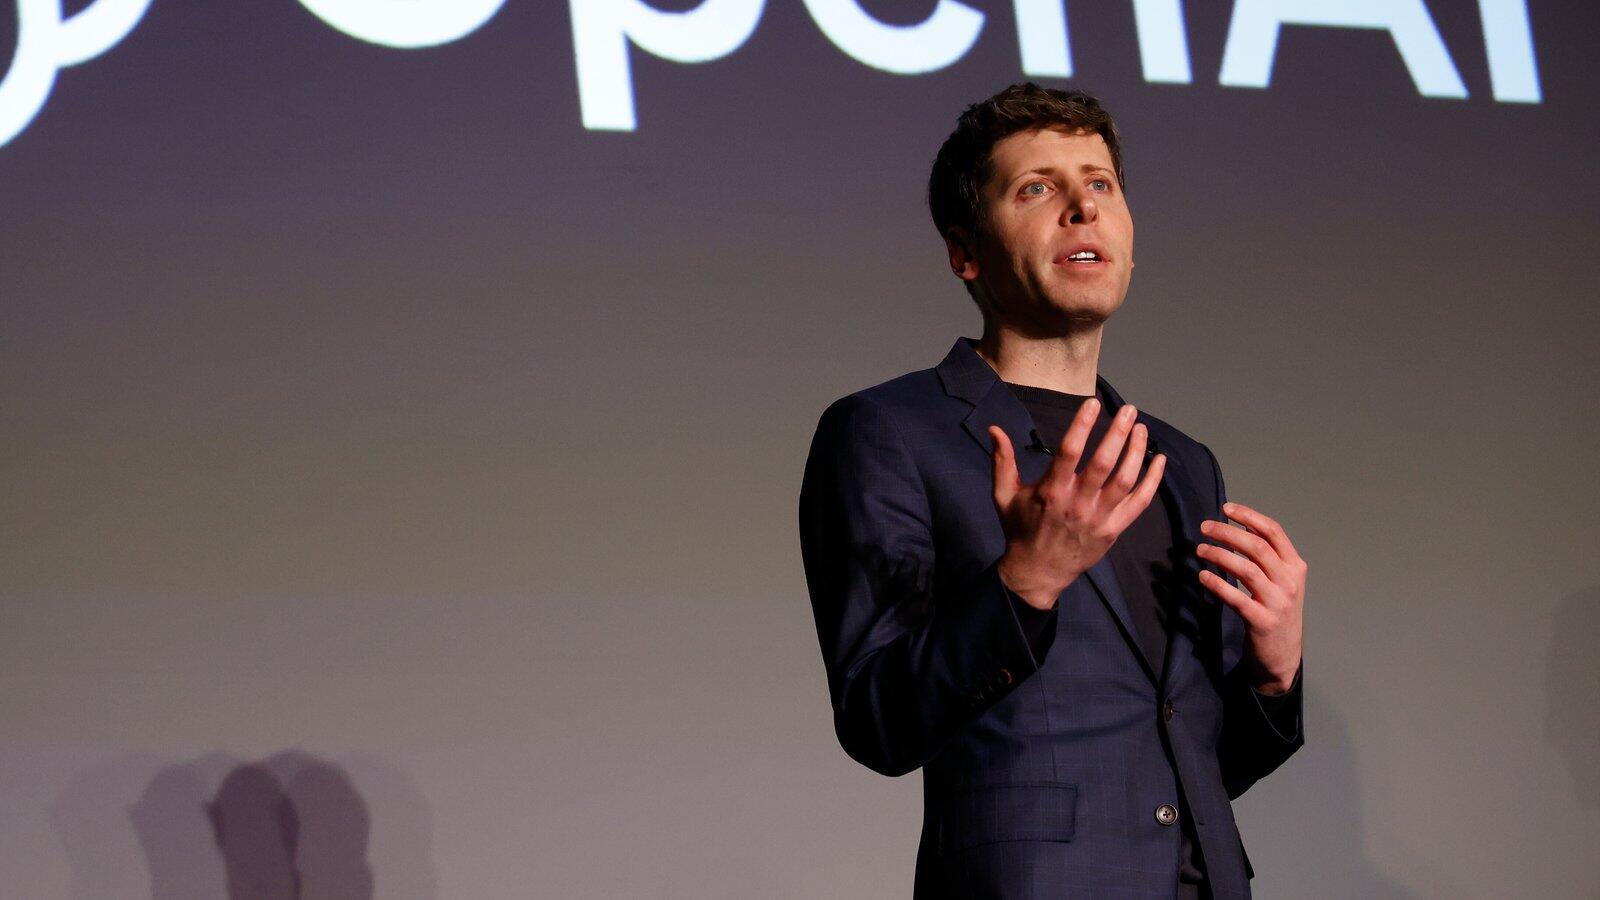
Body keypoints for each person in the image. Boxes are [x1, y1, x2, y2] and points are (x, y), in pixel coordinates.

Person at [797, 83, 1307, 899]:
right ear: (966, 251)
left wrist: (1274, 676)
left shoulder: (1181, 462)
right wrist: (1025, 582)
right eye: (1037, 188)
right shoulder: (889, 431)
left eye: (1100, 183)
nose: (1083, 207)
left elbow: (1186, 772)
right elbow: (878, 721)